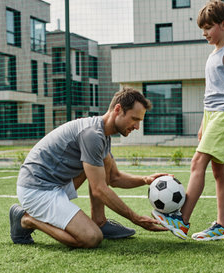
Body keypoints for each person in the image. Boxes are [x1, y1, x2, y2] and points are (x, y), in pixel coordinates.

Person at [10, 88, 168, 248]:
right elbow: (99, 188)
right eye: (134, 119)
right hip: (37, 189)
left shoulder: (103, 134)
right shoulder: (92, 135)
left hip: (56, 184)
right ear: (118, 110)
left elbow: (114, 177)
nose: (137, 127)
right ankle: (27, 220)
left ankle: (100, 221)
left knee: (105, 162)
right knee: (91, 238)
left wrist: (145, 180)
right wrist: (136, 218)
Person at [152, 0, 224, 241]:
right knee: (220, 171)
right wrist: (203, 123)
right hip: (212, 115)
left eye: (208, 27)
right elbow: (211, 92)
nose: (204, 33)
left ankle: (181, 220)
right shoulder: (213, 54)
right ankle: (223, 226)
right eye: (202, 29)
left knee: (198, 162)